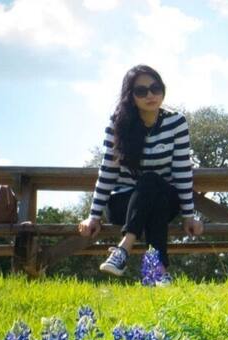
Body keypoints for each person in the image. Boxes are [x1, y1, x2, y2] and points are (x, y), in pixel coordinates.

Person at [77, 64, 204, 276]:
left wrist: (189, 215)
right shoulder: (118, 124)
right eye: (141, 91)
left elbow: (182, 170)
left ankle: (123, 250)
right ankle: (158, 272)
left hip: (164, 200)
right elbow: (108, 171)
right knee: (151, 189)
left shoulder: (176, 122)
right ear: (131, 96)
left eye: (155, 88)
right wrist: (93, 216)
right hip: (124, 204)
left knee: (153, 184)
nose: (150, 95)